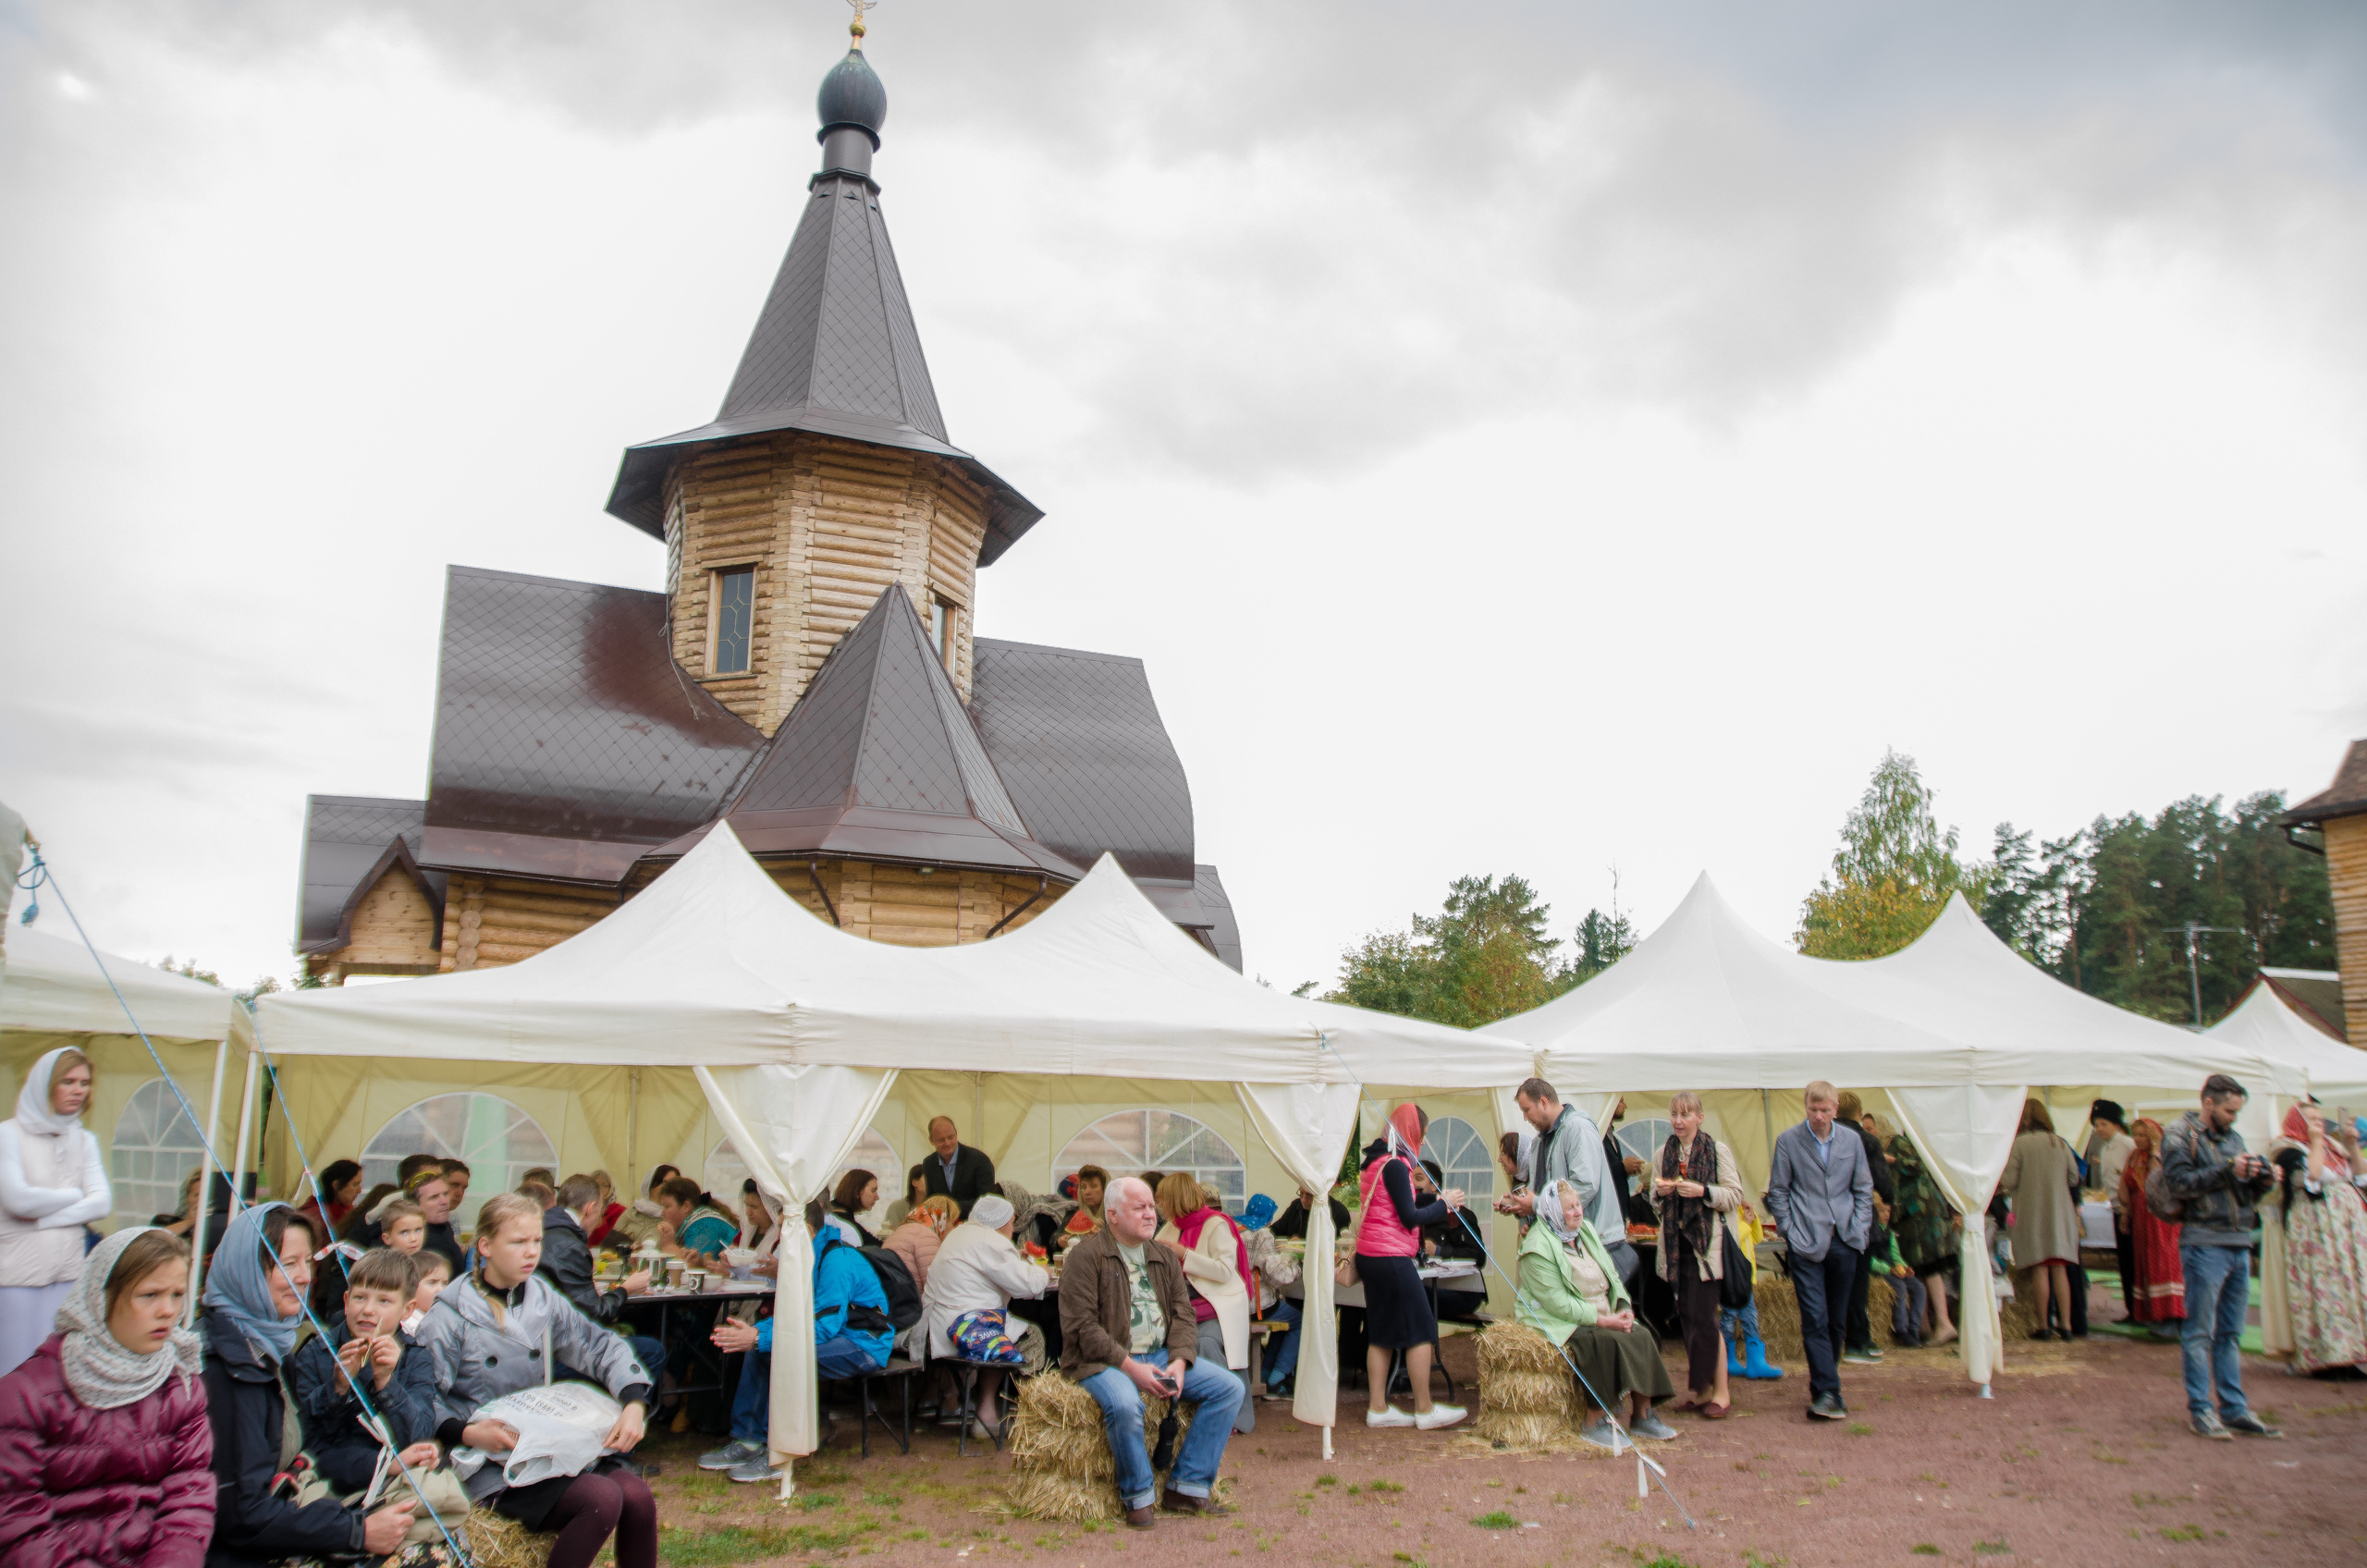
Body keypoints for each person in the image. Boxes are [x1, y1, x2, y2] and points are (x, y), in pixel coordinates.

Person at [418, 1194, 655, 1567]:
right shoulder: (449, 1315)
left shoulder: (543, 1299)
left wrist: (634, 1403)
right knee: (601, 1499)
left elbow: (599, 1345)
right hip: (486, 1461)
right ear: (486, 1246)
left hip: (547, 1441)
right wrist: (467, 1433)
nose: (531, 1252)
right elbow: (420, 1399)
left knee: (637, 1496)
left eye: (536, 1241)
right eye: (517, 1242)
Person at [202, 1204, 417, 1564]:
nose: (304, 1277)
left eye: (308, 1262)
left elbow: (306, 1450)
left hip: (289, 1512)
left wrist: (379, 1470)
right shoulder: (225, 1367)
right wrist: (357, 1531)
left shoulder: (269, 1346)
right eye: (287, 1263)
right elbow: (240, 1515)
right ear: (245, 1269)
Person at [0, 1226, 211, 1568]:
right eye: (149, 1295)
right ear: (101, 1296)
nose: (168, 1311)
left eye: (176, 1295)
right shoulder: (25, 1394)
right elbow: (17, 1523)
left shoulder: (181, 1384)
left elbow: (189, 1497)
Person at [1061, 1175, 1244, 1527]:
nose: (1151, 1215)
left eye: (1151, 1206)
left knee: (1229, 1389)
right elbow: (1082, 1328)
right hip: (1104, 1361)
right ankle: (1139, 1496)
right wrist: (1131, 1368)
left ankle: (1187, 1486)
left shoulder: (1162, 1254)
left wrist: (1179, 1359)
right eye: (1139, 1207)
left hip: (1159, 1355)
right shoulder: (1085, 1257)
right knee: (1126, 1404)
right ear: (1113, 1215)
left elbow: (1183, 1314)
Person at [705, 1199, 894, 1485]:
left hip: (865, 1343)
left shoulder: (836, 1261)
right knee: (763, 1349)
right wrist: (757, 1333)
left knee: (781, 1353)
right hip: (844, 1335)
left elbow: (822, 1327)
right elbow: (794, 1317)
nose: (779, 1235)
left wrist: (760, 1337)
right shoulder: (812, 1256)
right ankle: (749, 1440)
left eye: (783, 1228)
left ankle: (779, 1453)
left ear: (804, 1229)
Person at [2158, 1074, 2279, 1440]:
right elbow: (2179, 1182)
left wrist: (2260, 1181)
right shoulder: (2179, 1133)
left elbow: (2241, 1196)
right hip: (2204, 1242)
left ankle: (2234, 1408)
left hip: (2237, 1241)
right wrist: (2229, 1170)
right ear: (2208, 1103)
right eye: (2229, 1110)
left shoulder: (2235, 1139)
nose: (2233, 1118)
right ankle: (2201, 1410)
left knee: (2230, 1332)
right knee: (2200, 1332)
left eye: (2237, 1111)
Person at [1515, 1180, 1676, 1446]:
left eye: (1578, 1205)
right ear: (1553, 1212)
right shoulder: (1537, 1247)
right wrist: (1603, 1320)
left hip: (1601, 1311)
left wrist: (1623, 1308)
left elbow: (1612, 1276)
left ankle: (1643, 1415)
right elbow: (1558, 1303)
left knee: (1640, 1335)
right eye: (1570, 1208)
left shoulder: (1585, 1231)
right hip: (1557, 1319)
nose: (1578, 1211)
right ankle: (1594, 1421)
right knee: (1602, 1341)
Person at [286, 1248, 440, 1497]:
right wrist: (337, 1388)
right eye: (360, 1298)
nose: (368, 1310)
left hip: (395, 1476)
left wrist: (386, 1383)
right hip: (330, 1477)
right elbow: (307, 1441)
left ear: (407, 1309)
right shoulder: (317, 1351)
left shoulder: (415, 1357)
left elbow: (418, 1436)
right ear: (346, 1301)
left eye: (384, 1301)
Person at [1764, 1081, 1873, 1421]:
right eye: (1813, 1110)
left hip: (1844, 1240)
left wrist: (1857, 1230)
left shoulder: (1852, 1141)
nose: (1819, 1116)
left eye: (1825, 1110)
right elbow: (1778, 1191)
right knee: (1815, 1317)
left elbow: (1863, 1189)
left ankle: (1826, 1382)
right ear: (1805, 1107)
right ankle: (1828, 1391)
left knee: (1837, 1320)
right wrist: (1790, 1231)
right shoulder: (1788, 1141)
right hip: (1805, 1241)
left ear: (1836, 1109)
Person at [1355, 1103, 1467, 1430]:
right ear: (1412, 1131)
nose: (1424, 1140)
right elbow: (1409, 1217)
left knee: (1381, 1332)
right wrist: (1443, 1206)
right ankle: (1425, 1408)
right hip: (1391, 1257)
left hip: (1370, 1256)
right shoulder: (1396, 1164)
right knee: (1421, 1329)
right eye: (1423, 1133)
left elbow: (1400, 1202)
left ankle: (1378, 1408)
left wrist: (1437, 1200)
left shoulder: (1376, 1160)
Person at [0, 1048, 111, 1377]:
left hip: (67, 1275)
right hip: (15, 1276)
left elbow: (102, 1203)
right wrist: (76, 1195)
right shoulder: (8, 1134)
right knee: (14, 1370)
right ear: (45, 1085)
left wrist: (44, 1218)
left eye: (85, 1082)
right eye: (68, 1081)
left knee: (58, 1373)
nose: (79, 1090)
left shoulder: (85, 1140)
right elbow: (18, 1200)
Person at [1647, 1091, 1744, 1418]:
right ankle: (1702, 1391)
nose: (1678, 1120)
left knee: (1704, 1318)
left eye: (1686, 1114)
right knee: (1687, 1317)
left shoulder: (1717, 1150)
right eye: (1675, 1114)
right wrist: (1660, 1193)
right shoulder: (1663, 1153)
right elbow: (1653, 1201)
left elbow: (1735, 1195)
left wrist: (1703, 1192)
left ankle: (1722, 1393)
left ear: (1700, 1118)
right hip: (1677, 1249)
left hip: (1708, 1248)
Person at [922, 1193, 1050, 1437]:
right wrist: (1042, 1269)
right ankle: (998, 1414)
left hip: (936, 1325)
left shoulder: (959, 1234)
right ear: (1001, 1223)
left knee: (1003, 1328)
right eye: (1012, 1222)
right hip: (967, 1328)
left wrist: (1015, 1257)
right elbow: (1029, 1286)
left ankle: (981, 1410)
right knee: (1030, 1337)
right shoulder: (994, 1242)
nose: (1013, 1229)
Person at [1498, 1078, 1634, 1288]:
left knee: (1594, 1314)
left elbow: (1585, 1186)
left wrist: (1536, 1204)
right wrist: (1520, 1206)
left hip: (1594, 1244)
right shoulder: (1539, 1141)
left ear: (1543, 1102)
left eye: (1527, 1110)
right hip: (1566, 1246)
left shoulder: (1578, 1128)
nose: (1524, 1118)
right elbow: (1539, 1189)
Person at [2265, 1102, 2367, 1375]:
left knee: (2349, 1285)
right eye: (2311, 1119)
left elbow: (2362, 1178)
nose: (2319, 1123)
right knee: (2327, 1283)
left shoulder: (2334, 1147)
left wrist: (2352, 1145)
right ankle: (2328, 1357)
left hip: (2345, 1227)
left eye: (2320, 1118)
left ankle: (2352, 1353)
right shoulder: (2287, 1150)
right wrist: (2316, 1141)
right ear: (2298, 1122)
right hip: (2316, 1227)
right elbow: (2314, 1177)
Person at [1155, 1173, 1257, 1434]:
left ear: (1176, 1200)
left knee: (1205, 1343)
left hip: (1218, 1304)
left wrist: (1183, 1254)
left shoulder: (1216, 1224)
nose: (1159, 1207)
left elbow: (1225, 1270)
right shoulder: (1169, 1228)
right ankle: (1186, 1413)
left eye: (1163, 1200)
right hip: (1184, 1306)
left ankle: (1232, 1418)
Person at [540, 1177, 666, 1383]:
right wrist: (626, 1290)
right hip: (557, 1353)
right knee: (653, 1351)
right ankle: (620, 1412)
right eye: (600, 1211)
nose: (599, 1220)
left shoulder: (547, 1228)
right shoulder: (569, 1245)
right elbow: (595, 1315)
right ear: (590, 1209)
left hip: (543, 1341)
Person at [2000, 1100, 2083, 1340]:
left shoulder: (2020, 1144)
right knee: (2060, 1269)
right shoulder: (2059, 1142)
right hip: (2060, 1214)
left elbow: (2009, 1181)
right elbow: (2074, 1177)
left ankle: (2043, 1325)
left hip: (2032, 1213)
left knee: (2040, 1269)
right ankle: (2066, 1326)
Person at [1833, 1093, 1895, 1366]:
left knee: (1837, 1282)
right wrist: (1889, 1198)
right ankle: (1857, 1340)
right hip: (1859, 1216)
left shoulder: (1825, 1136)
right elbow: (1882, 1182)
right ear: (1859, 1112)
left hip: (1830, 1219)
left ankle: (1847, 1339)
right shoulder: (1867, 1141)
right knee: (1858, 1281)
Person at [1883, 1129, 1957, 1347]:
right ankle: (1922, 1326)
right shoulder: (1923, 1141)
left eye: (1871, 1128)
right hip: (1918, 1215)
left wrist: (1890, 1159)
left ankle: (1943, 1324)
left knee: (1929, 1267)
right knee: (1921, 1269)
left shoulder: (1899, 1143)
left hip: (1919, 1215)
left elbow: (1914, 1166)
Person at [2117, 1118, 2185, 1332]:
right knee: (2146, 1261)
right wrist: (2126, 1212)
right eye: (2135, 1134)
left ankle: (2171, 1316)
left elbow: (2162, 1182)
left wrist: (2156, 1148)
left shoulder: (2163, 1156)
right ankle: (2152, 1314)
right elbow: (2125, 1186)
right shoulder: (2133, 1157)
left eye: (2143, 1135)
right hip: (2140, 1214)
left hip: (2162, 1217)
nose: (2137, 1139)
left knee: (2165, 1261)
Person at [1238, 1195, 1305, 1402]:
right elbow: (1278, 1277)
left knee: (1284, 1319)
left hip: (1238, 1304)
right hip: (1258, 1305)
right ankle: (1278, 1378)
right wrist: (1295, 1265)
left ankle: (1266, 1372)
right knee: (1299, 1320)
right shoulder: (1262, 1235)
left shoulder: (1236, 1229)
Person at [1718, 1198, 1785, 1379]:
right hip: (1732, 1278)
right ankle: (1725, 1359)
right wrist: (1746, 1223)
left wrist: (1752, 1217)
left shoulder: (1740, 1214)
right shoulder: (1724, 1216)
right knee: (1729, 1317)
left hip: (1746, 1278)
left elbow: (1755, 1238)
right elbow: (1731, 1238)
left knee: (1750, 1317)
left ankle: (1755, 1361)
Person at [1865, 1199, 1931, 1344]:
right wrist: (1888, 1269)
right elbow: (1868, 1260)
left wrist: (1904, 1267)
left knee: (1919, 1288)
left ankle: (1914, 1329)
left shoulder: (1889, 1233)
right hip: (1880, 1271)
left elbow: (1895, 1255)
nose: (1886, 1214)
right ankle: (1901, 1330)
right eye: (1882, 1211)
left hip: (1892, 1269)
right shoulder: (1867, 1232)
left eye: (1888, 1211)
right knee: (1899, 1288)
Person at [654, 1176, 738, 1269]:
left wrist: (669, 1245)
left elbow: (689, 1269)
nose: (662, 1212)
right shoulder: (696, 1223)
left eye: (667, 1206)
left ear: (686, 1206)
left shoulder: (705, 1226)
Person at [921, 1117, 998, 1219]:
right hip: (944, 1229)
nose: (947, 1143)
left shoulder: (979, 1160)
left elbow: (987, 1200)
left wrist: (949, 1208)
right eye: (941, 1140)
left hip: (975, 1225)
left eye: (950, 1137)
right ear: (931, 1140)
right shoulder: (929, 1164)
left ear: (956, 1133)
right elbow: (931, 1199)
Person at [885, 1194, 958, 1294]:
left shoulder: (902, 1229)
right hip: (910, 1300)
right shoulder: (926, 1235)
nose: (953, 1228)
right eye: (953, 1222)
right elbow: (934, 1284)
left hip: (893, 1296)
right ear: (943, 1218)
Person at [295, 1158, 364, 1246]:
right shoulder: (314, 1215)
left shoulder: (348, 1211)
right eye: (355, 1184)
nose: (359, 1190)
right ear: (336, 1185)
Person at [1270, 1184, 1349, 1241]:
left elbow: (1338, 1245)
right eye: (1301, 1193)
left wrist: (1302, 1244)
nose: (1303, 1200)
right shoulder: (1296, 1207)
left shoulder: (1339, 1212)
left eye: (1309, 1195)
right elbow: (1275, 1230)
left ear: (1322, 1194)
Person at [828, 1170, 882, 1249]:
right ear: (857, 1192)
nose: (877, 1197)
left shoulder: (831, 1210)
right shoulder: (842, 1219)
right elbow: (876, 1245)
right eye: (873, 1191)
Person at [583, 1170, 626, 1245]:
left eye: (604, 1185)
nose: (600, 1188)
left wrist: (600, 1226)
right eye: (596, 1185)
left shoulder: (618, 1211)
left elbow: (614, 1241)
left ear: (610, 1189)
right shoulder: (583, 1208)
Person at [883, 1163, 928, 1233]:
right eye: (927, 1178)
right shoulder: (896, 1208)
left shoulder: (937, 1207)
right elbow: (890, 1235)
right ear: (914, 1183)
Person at [436, 1159, 472, 1225]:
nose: (460, 1194)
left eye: (463, 1188)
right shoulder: (417, 1220)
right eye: (454, 1185)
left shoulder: (452, 1220)